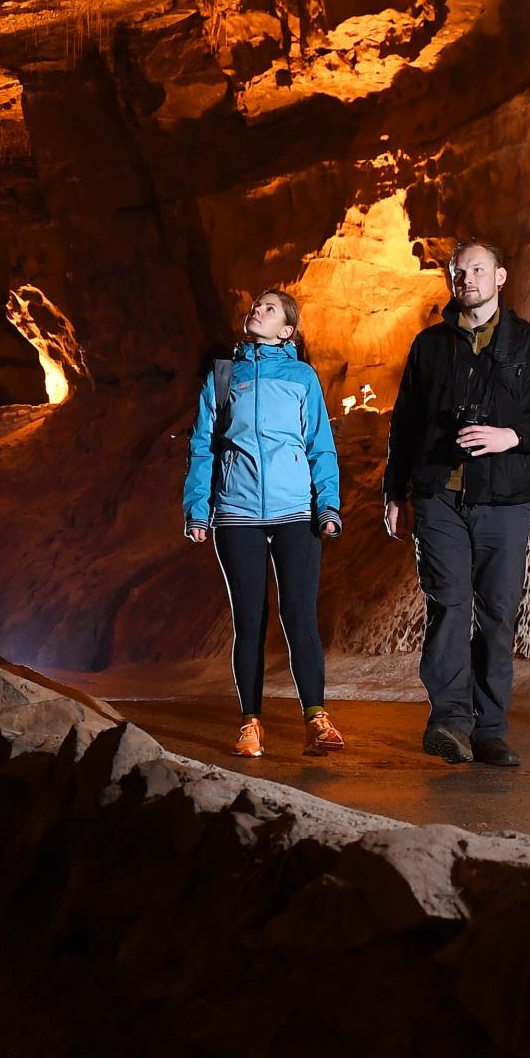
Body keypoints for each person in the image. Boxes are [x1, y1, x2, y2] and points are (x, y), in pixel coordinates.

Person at [380, 242, 530, 768]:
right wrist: (394, 492)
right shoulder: (429, 347)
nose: (466, 278)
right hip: (440, 494)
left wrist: (510, 437)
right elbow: (404, 424)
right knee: (449, 604)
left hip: (505, 500)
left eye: (477, 270)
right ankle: (450, 722)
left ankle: (490, 730)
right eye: (458, 271)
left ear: (500, 276)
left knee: (496, 614)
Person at [182, 290, 345, 758]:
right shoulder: (223, 376)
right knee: (248, 619)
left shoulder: (302, 377)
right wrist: (198, 509)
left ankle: (316, 718)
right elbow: (203, 447)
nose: (257, 310)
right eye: (256, 305)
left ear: (287, 331)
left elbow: (321, 445)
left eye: (269, 308)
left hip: (297, 513)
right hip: (237, 514)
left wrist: (328, 506)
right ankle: (250, 722)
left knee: (299, 616)